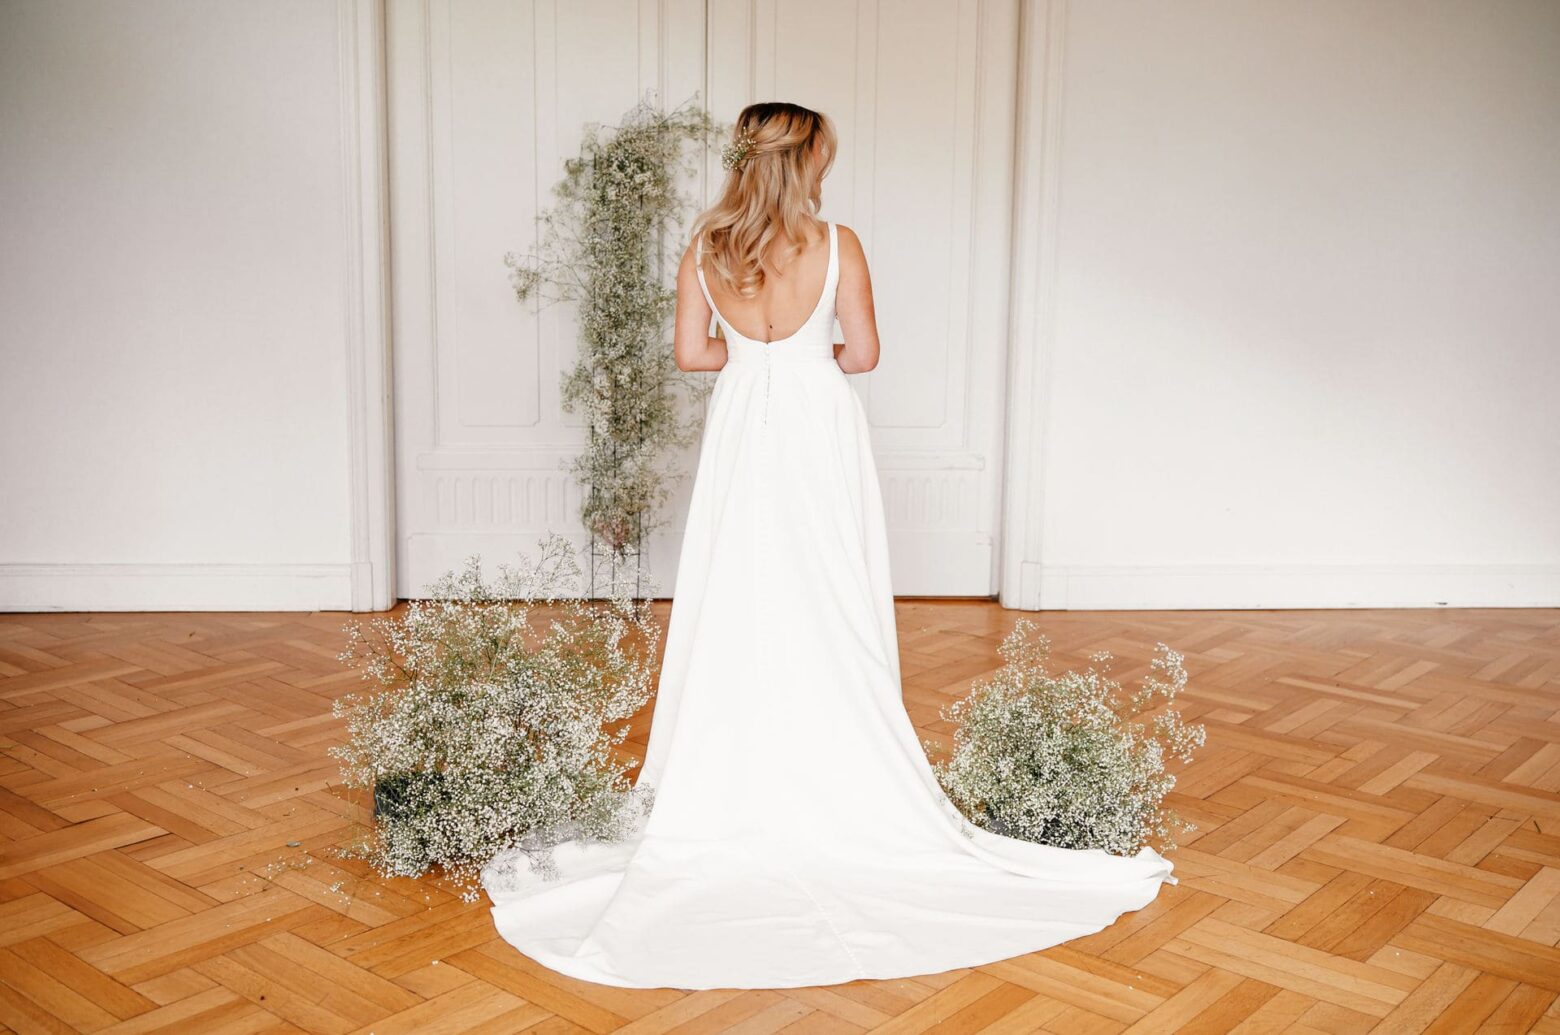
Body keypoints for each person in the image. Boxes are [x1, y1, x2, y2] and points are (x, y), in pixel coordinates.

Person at [481, 101, 1174, 991]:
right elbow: (866, 353)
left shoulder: (706, 248)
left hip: (743, 429)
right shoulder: (839, 244)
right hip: (817, 426)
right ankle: (839, 755)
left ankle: (735, 762)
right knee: (827, 589)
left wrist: (754, 361)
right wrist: (806, 361)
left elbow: (692, 355)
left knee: (741, 591)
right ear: (808, 161)